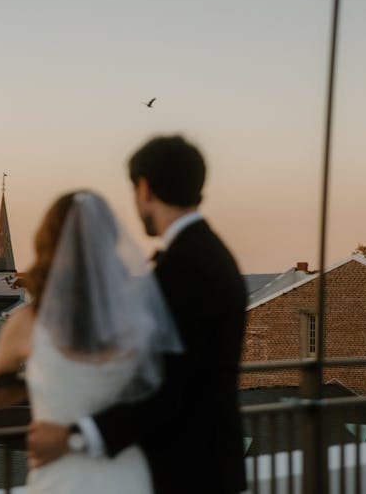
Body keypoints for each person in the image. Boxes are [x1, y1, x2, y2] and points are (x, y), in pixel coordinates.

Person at [27, 136, 248, 494]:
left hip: (187, 471)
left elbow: (173, 388)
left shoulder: (182, 267)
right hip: (212, 462)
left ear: (144, 188)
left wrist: (75, 436)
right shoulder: (213, 253)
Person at [0, 190, 182, 493]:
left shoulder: (29, 322)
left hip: (63, 476)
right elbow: (160, 391)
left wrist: (36, 382)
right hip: (130, 474)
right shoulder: (137, 317)